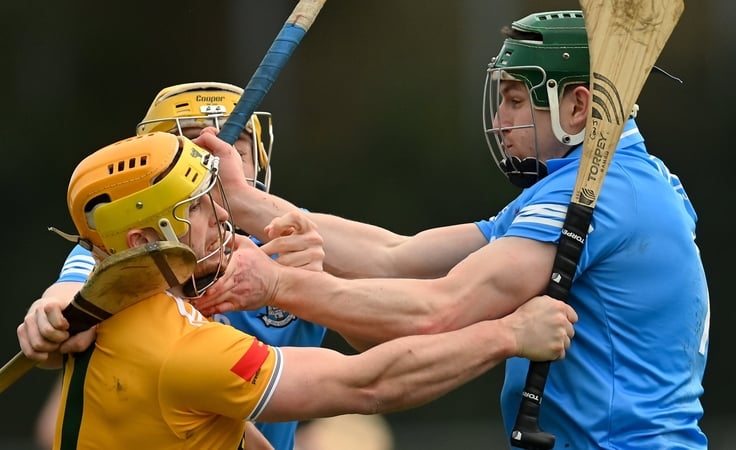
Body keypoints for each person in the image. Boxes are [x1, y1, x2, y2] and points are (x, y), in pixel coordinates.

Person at [190, 10, 710, 449]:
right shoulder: (598, 186)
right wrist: (245, 203)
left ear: (577, 106)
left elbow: (439, 311)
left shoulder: (598, 198)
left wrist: (280, 285)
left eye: (515, 99)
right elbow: (397, 255)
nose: (502, 118)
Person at [19, 130, 576, 448]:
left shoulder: (111, 301)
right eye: (199, 209)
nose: (222, 218)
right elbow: (371, 383)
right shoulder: (180, 349)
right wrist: (507, 334)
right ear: (143, 237)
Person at [24, 82, 325, 450]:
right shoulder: (128, 247)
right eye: (192, 147)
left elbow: (379, 320)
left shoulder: (296, 237)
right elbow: (71, 295)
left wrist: (317, 289)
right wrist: (51, 314)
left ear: (260, 161)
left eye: (235, 150)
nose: (213, 162)